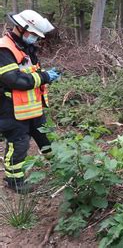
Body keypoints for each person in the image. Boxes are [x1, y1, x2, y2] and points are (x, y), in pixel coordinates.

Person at [0, 10, 60, 193]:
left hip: (32, 108)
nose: (35, 38)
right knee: (19, 145)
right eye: (33, 34)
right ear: (22, 28)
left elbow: (29, 71)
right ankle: (14, 181)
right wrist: (44, 76)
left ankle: (61, 168)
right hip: (11, 110)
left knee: (45, 139)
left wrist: (45, 75)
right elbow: (14, 80)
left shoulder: (25, 47)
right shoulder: (4, 49)